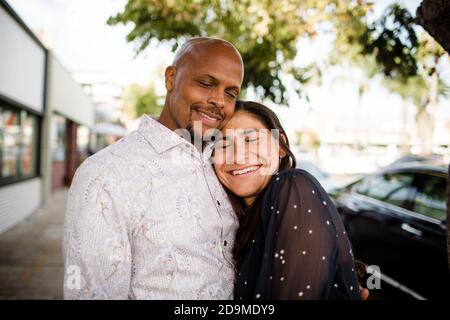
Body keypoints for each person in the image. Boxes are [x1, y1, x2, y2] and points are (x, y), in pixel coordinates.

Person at [63, 37, 244, 299]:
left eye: (231, 93)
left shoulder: (227, 165)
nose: (219, 101)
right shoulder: (105, 175)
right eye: (206, 83)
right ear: (171, 78)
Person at [213, 101, 362, 299]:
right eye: (223, 145)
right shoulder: (242, 225)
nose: (238, 156)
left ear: (280, 146)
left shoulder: (294, 187)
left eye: (251, 140)